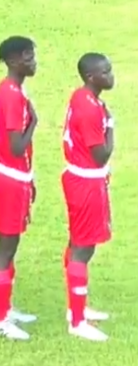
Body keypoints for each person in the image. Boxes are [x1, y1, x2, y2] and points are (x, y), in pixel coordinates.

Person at [61, 53, 116, 342]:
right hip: (86, 182)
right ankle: (77, 320)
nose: (111, 75)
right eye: (105, 72)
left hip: (81, 179)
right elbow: (100, 154)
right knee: (83, 247)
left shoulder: (83, 97)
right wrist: (111, 130)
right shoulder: (91, 110)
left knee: (80, 243)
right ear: (91, 77)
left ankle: (76, 309)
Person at [0, 36, 39, 341]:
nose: (33, 61)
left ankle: (6, 308)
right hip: (9, 177)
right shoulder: (11, 95)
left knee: (12, 244)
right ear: (11, 61)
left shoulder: (14, 90)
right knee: (6, 247)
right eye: (27, 56)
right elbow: (16, 146)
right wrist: (34, 122)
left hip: (16, 177)